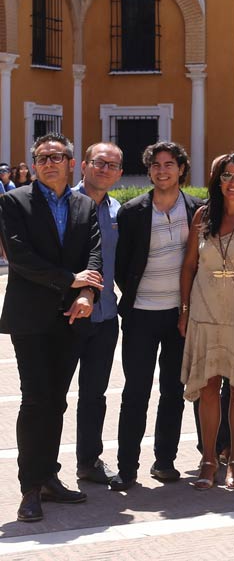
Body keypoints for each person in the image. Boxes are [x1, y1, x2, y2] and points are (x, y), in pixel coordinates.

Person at [1, 134, 101, 522]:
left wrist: (87, 295)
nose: (48, 163)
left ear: (72, 163)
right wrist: (69, 280)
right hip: (30, 317)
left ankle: (49, 478)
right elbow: (19, 256)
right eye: (41, 157)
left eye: (56, 156)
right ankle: (30, 488)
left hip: (71, 317)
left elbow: (93, 254)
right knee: (35, 400)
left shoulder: (83, 205)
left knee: (57, 400)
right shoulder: (14, 201)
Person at [113, 141, 202, 490]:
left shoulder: (198, 209)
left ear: (181, 169)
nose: (162, 170)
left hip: (180, 316)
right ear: (149, 171)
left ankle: (165, 462)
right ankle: (127, 468)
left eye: (169, 164)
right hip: (140, 315)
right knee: (135, 391)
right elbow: (122, 266)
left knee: (172, 390)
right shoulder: (133, 211)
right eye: (155, 165)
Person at [178, 154, 234, 490]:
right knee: (208, 388)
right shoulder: (203, 215)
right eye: (226, 176)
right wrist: (184, 310)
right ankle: (208, 459)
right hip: (204, 313)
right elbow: (189, 265)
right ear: (218, 181)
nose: (232, 183)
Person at [70, 143, 123, 486]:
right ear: (84, 165)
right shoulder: (63, 204)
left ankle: (88, 461)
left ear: (119, 174)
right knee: (49, 396)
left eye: (112, 165)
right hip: (67, 315)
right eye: (99, 163)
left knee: (94, 394)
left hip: (105, 318)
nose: (105, 169)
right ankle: (43, 471)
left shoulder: (119, 210)